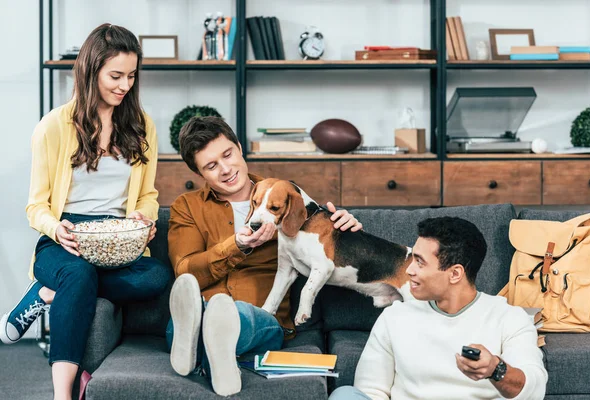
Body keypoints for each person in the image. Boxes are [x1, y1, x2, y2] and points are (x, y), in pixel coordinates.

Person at [0, 23, 171, 400]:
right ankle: (64, 394)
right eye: (115, 75)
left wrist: (143, 218)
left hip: (117, 239)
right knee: (77, 274)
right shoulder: (54, 127)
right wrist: (56, 228)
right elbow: (36, 206)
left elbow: (148, 195)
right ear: (90, 70)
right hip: (65, 240)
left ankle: (47, 294)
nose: (124, 85)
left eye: (131, 76)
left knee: (156, 276)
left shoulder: (142, 126)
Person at [167, 116, 363, 396]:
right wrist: (236, 245)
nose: (226, 169)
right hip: (199, 310)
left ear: (239, 147)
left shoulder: (286, 198)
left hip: (263, 320)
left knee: (237, 316)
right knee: (181, 323)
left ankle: (206, 352)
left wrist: (345, 228)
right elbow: (185, 272)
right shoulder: (186, 207)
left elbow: (325, 250)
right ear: (199, 174)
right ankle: (214, 355)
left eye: (228, 154)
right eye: (211, 166)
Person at [329, 216, 548, 400]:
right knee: (345, 395)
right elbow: (370, 391)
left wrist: (495, 369)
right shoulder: (395, 317)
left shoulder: (509, 318)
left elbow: (534, 388)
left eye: (420, 262)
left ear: (455, 273)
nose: (409, 270)